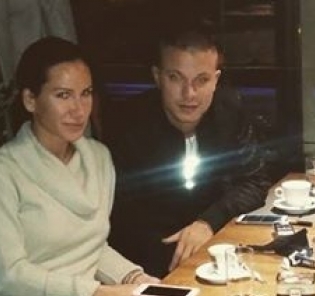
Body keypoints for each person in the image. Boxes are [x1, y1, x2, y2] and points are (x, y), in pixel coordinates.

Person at [0, 37, 159, 296]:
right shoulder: (2, 173)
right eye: (63, 95)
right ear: (30, 99)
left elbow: (93, 245)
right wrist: (99, 294)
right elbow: (9, 274)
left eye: (86, 93)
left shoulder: (98, 158)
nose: (78, 109)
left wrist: (133, 278)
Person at [106, 21, 273, 278]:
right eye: (175, 78)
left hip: (218, 247)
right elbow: (121, 214)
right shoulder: (128, 124)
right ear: (157, 77)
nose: (189, 93)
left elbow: (255, 181)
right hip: (144, 264)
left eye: (201, 80)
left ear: (216, 81)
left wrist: (207, 222)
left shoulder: (230, 111)